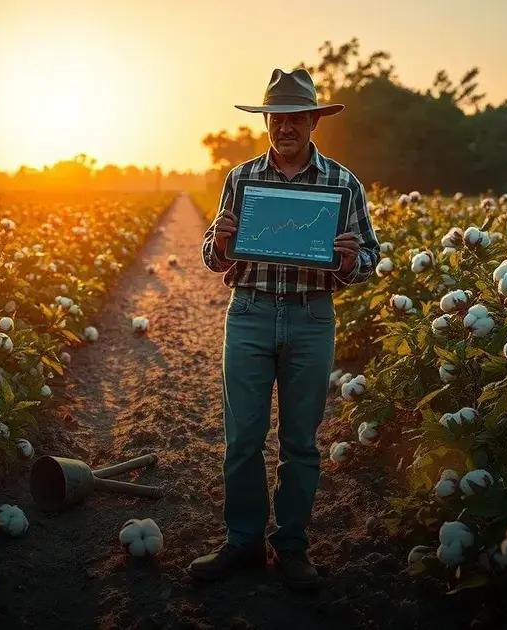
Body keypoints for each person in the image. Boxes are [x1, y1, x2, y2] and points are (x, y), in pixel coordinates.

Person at [188, 67, 380, 590]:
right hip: (248, 312)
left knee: (301, 442)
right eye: (276, 118)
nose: (285, 127)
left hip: (311, 315)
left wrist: (347, 260)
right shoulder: (241, 179)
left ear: (313, 121)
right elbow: (212, 254)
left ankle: (291, 547)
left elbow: (370, 259)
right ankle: (243, 541)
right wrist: (221, 243)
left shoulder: (343, 183)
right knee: (243, 439)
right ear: (267, 122)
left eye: (295, 118)